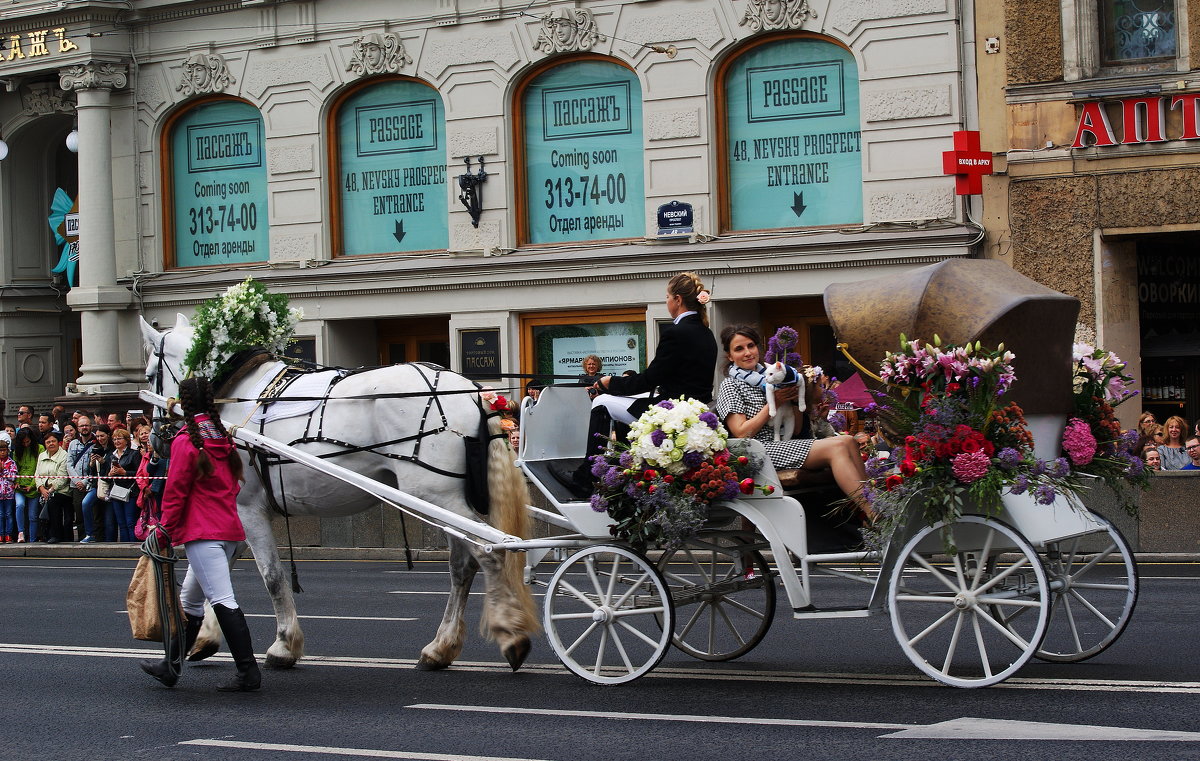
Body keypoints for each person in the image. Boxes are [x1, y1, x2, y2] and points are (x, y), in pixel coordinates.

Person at [140, 376, 260, 692]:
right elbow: (234, 486)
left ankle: (248, 673)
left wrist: (164, 530)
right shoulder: (222, 436)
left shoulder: (186, 441)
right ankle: (171, 666)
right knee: (191, 601)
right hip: (229, 529)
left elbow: (176, 492)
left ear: (183, 403)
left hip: (204, 533)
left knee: (222, 600)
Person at [714, 325, 869, 512]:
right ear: (730, 356)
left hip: (784, 443)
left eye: (751, 346)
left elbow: (795, 430)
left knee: (848, 441)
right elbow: (741, 433)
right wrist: (775, 403)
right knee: (837, 447)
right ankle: (872, 512)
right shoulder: (730, 385)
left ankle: (867, 509)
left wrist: (795, 399)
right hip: (757, 450)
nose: (747, 352)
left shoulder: (773, 376)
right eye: (739, 349)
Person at [582, 272, 718, 464]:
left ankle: (588, 473)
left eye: (667, 297)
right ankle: (623, 463)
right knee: (624, 402)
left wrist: (610, 383)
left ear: (678, 300)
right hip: (694, 408)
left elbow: (650, 379)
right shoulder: (706, 333)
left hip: (672, 411)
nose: (667, 301)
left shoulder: (675, 333)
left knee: (601, 402)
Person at [103, 428, 142, 541]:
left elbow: (140, 473)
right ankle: (124, 546)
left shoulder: (134, 454)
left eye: (119, 438)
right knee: (121, 523)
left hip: (131, 492)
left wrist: (125, 473)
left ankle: (133, 546)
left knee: (130, 522)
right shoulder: (112, 456)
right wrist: (110, 474)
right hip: (116, 492)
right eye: (114, 439)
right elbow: (106, 477)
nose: (116, 441)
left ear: (126, 440)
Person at [34, 430, 71, 543]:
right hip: (44, 490)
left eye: (53, 441)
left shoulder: (64, 455)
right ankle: (43, 535)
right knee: (37, 501)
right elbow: (37, 475)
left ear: (58, 442)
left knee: (53, 501)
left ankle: (56, 535)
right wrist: (42, 489)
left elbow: (62, 478)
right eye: (48, 442)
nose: (51, 444)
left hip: (61, 490)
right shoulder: (42, 455)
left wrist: (49, 491)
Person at [68, 416, 98, 543]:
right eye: (81, 426)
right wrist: (77, 481)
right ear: (77, 428)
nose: (84, 428)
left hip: (91, 484)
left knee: (94, 513)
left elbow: (95, 467)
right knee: (79, 513)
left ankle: (95, 537)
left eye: (86, 425)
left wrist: (84, 481)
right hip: (76, 485)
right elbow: (69, 464)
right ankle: (81, 538)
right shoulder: (73, 443)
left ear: (91, 426)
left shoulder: (96, 442)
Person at [12, 428, 42, 542]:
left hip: (34, 486)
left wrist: (33, 485)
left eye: (28, 442)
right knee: (19, 505)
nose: (25, 444)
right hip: (20, 486)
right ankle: (21, 533)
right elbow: (15, 469)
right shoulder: (16, 451)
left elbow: (39, 469)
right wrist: (16, 482)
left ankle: (33, 539)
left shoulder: (40, 448)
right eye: (23, 442)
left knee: (32, 516)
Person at [89, 424, 114, 541]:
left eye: (102, 436)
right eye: (97, 436)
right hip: (97, 486)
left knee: (109, 519)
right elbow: (91, 471)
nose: (99, 439)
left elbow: (111, 469)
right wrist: (91, 464)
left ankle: (110, 542)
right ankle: (95, 537)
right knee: (93, 511)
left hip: (109, 486)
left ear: (108, 435)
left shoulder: (112, 450)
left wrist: (104, 462)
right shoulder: (95, 448)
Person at [0, 441, 15, 543]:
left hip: (9, 494)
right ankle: (1, 535)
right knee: (0, 515)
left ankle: (8, 534)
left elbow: (13, 477)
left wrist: (3, 470)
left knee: (9, 514)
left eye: (4, 450)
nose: (2, 452)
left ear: (7, 451)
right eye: (0, 450)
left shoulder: (11, 462)